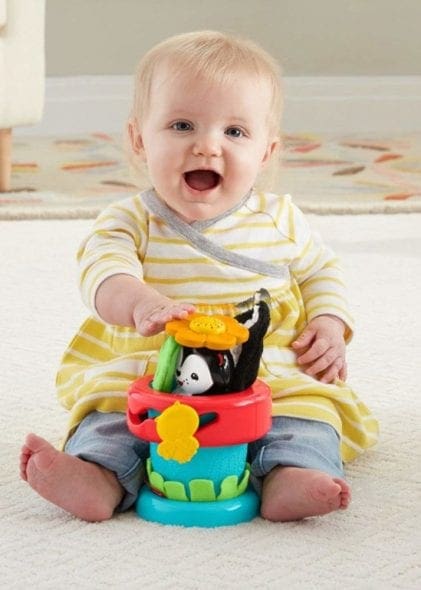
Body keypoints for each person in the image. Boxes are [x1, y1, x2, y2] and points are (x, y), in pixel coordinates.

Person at [20, 30, 378, 523]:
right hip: (155, 364)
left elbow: (320, 269)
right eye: (182, 125)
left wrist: (329, 322)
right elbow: (103, 271)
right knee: (113, 418)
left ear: (266, 152)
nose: (207, 147)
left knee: (307, 416)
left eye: (235, 132)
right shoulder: (131, 221)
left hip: (263, 366)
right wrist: (140, 302)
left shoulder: (280, 220)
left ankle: (292, 474)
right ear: (139, 139)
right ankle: (97, 476)